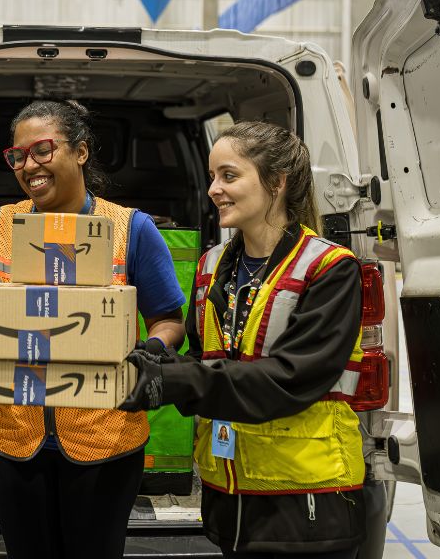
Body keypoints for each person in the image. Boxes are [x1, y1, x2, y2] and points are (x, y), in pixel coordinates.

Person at [121, 121, 366, 559]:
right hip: (229, 499)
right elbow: (205, 358)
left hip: (305, 499)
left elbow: (290, 378)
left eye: (229, 176)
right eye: (212, 176)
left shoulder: (329, 268)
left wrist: (173, 382)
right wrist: (157, 359)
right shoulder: (212, 265)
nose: (214, 189)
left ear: (276, 182)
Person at [0, 99, 187, 559]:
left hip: (105, 439)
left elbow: (169, 320)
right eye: (18, 156)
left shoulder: (131, 228)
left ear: (81, 151)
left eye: (43, 150)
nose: (30, 165)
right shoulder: (0, 225)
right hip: (14, 437)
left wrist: (150, 350)